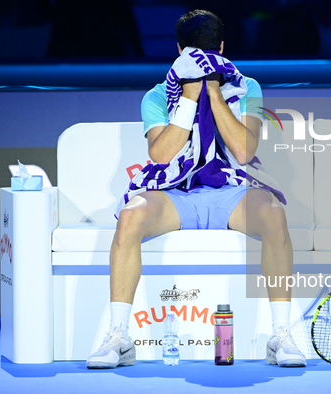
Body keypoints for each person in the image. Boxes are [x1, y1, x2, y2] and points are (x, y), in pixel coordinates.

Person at [86, 9, 306, 369]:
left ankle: (280, 334)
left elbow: (244, 150)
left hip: (231, 193)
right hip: (176, 194)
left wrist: (215, 94)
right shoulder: (158, 96)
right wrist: (189, 98)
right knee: (129, 218)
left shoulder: (247, 87)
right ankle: (119, 337)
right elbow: (160, 153)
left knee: (274, 215)